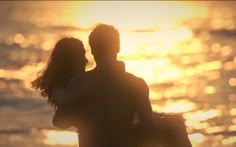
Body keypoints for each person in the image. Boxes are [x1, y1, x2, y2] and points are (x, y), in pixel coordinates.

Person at [53, 24, 153, 147]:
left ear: (93, 49)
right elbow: (149, 130)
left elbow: (59, 121)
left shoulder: (80, 83)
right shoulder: (137, 84)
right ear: (118, 47)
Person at [31, 37, 88, 128]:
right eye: (82, 56)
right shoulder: (59, 90)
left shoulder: (85, 81)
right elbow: (60, 119)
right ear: (70, 60)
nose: (86, 60)